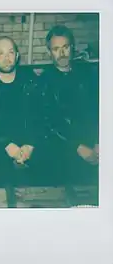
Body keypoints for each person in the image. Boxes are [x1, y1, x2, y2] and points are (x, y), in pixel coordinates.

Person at [0, 36, 41, 189]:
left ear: (17, 56)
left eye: (10, 53)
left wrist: (30, 143)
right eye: (0, 53)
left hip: (29, 144)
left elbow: (40, 116)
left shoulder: (32, 80)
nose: (6, 58)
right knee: (2, 183)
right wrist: (6, 144)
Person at [35, 25, 99, 186]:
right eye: (56, 49)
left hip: (94, 143)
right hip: (62, 149)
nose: (62, 53)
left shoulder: (88, 74)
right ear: (49, 52)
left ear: (72, 48)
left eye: (65, 47)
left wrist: (99, 141)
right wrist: (77, 147)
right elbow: (49, 123)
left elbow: (99, 109)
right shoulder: (43, 82)